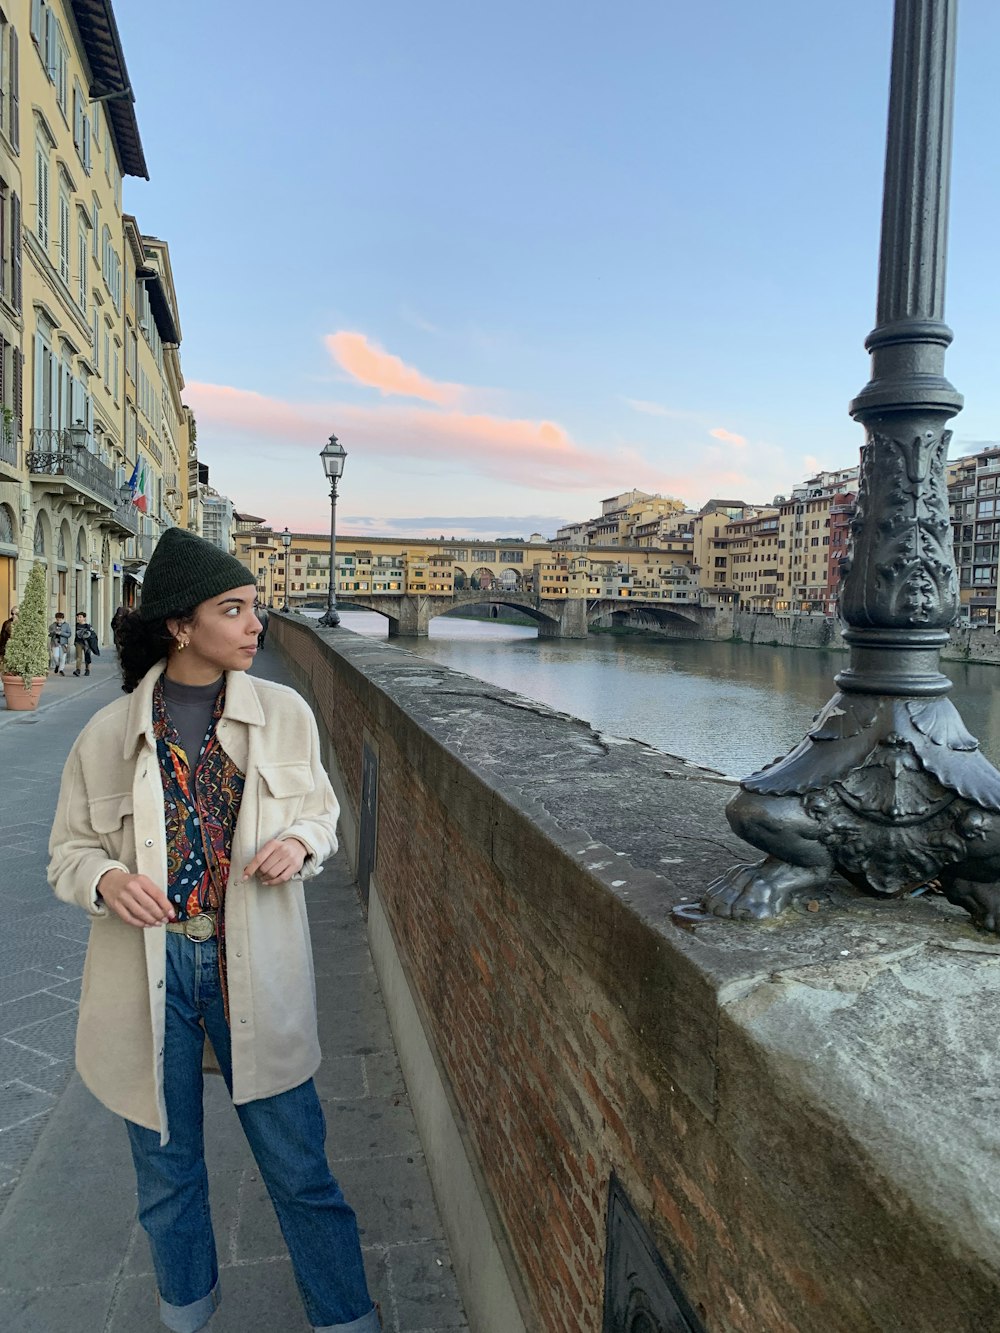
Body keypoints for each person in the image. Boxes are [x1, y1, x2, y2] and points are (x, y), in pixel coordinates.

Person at [48, 528, 379, 1333]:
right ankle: (186, 1314)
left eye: (255, 608)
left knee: (301, 1169)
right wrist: (107, 878)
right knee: (167, 1175)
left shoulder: (285, 716)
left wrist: (300, 842)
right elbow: (67, 852)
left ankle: (347, 1321)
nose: (254, 624)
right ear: (179, 625)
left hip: (253, 966)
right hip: (148, 974)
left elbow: (322, 813)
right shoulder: (106, 736)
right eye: (233, 610)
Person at [48, 610, 71, 674]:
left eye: (60, 620)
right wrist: (54, 632)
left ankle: (61, 670)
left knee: (62, 658)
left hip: (63, 643)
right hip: (55, 643)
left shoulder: (66, 625)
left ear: (63, 619)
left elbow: (69, 634)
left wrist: (61, 633)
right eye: (58, 620)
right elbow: (49, 634)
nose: (59, 621)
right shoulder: (52, 625)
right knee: (55, 656)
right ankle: (57, 665)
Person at [73, 610, 95, 676]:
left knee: (87, 657)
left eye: (80, 617)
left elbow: (92, 634)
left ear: (84, 618)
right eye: (78, 617)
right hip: (78, 642)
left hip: (87, 644)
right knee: (78, 657)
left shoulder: (88, 626)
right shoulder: (76, 625)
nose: (79, 618)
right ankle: (78, 670)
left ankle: (87, 669)